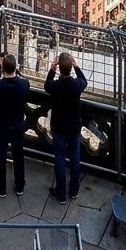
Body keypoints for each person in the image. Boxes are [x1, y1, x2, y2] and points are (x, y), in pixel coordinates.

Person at [0, 53, 29, 199]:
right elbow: (25, 82)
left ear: (3, 68)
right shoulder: (23, 84)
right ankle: (20, 186)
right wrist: (16, 71)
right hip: (17, 125)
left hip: (1, 126)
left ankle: (1, 188)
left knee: (1, 157)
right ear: (15, 68)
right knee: (18, 156)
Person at [45, 52, 87, 203]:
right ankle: (74, 190)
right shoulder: (76, 85)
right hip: (74, 126)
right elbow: (84, 80)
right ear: (70, 67)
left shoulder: (55, 86)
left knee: (60, 158)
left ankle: (61, 194)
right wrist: (76, 66)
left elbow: (47, 85)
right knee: (74, 157)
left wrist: (52, 69)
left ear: (59, 68)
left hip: (59, 126)